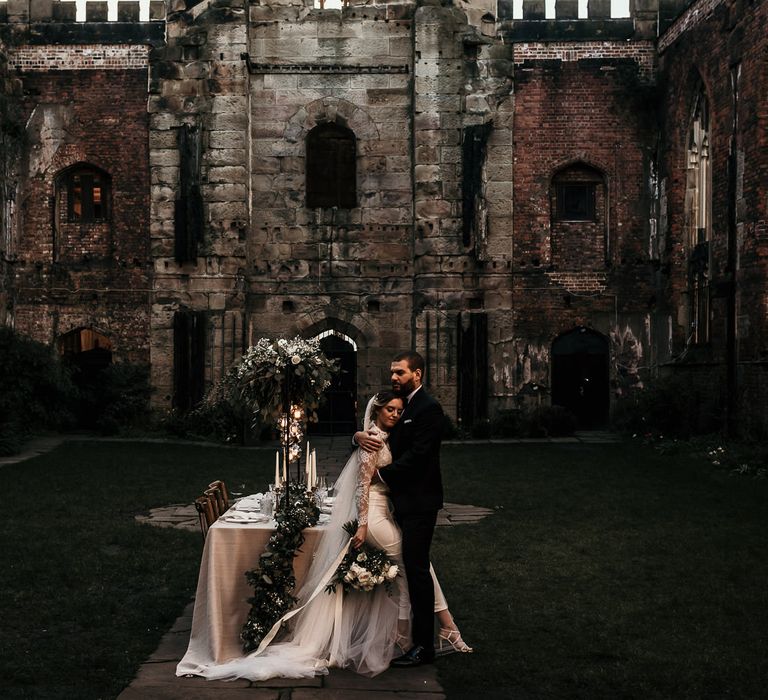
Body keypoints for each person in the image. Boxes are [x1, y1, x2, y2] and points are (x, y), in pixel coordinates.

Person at [199, 389, 468, 682]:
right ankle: (439, 626)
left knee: (412, 566)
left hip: (384, 511)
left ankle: (412, 632)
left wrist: (355, 435)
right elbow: (363, 487)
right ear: (376, 411)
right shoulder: (373, 441)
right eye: (390, 409)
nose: (396, 415)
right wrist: (363, 525)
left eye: (399, 411)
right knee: (415, 565)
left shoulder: (383, 437)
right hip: (374, 516)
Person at [354, 350, 454, 667]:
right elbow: (380, 437)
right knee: (413, 569)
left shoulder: (429, 409)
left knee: (417, 571)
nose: (394, 377)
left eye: (400, 372)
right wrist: (358, 436)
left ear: (417, 374)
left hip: (420, 502)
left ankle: (424, 647)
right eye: (392, 372)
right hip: (404, 502)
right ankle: (420, 638)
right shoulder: (403, 407)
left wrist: (378, 475)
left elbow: (418, 457)